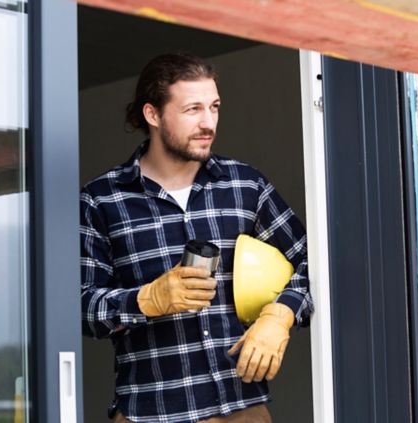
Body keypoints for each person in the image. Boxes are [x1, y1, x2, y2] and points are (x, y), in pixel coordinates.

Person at [80, 52, 313, 423]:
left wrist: (280, 315)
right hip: (151, 415)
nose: (208, 123)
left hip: (244, 412)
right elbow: (81, 309)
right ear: (152, 115)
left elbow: (312, 260)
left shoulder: (245, 185)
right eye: (193, 110)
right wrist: (148, 299)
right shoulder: (103, 200)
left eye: (214, 107)